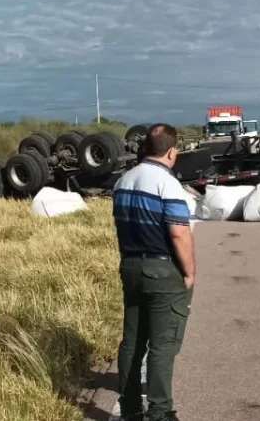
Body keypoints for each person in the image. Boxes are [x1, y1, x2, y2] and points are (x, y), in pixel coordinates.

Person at [112, 123, 196, 421]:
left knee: (132, 341)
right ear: (172, 152)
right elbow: (178, 234)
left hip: (130, 266)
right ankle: (160, 412)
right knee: (163, 345)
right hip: (161, 267)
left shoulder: (123, 181)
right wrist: (189, 272)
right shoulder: (167, 183)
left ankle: (130, 409)